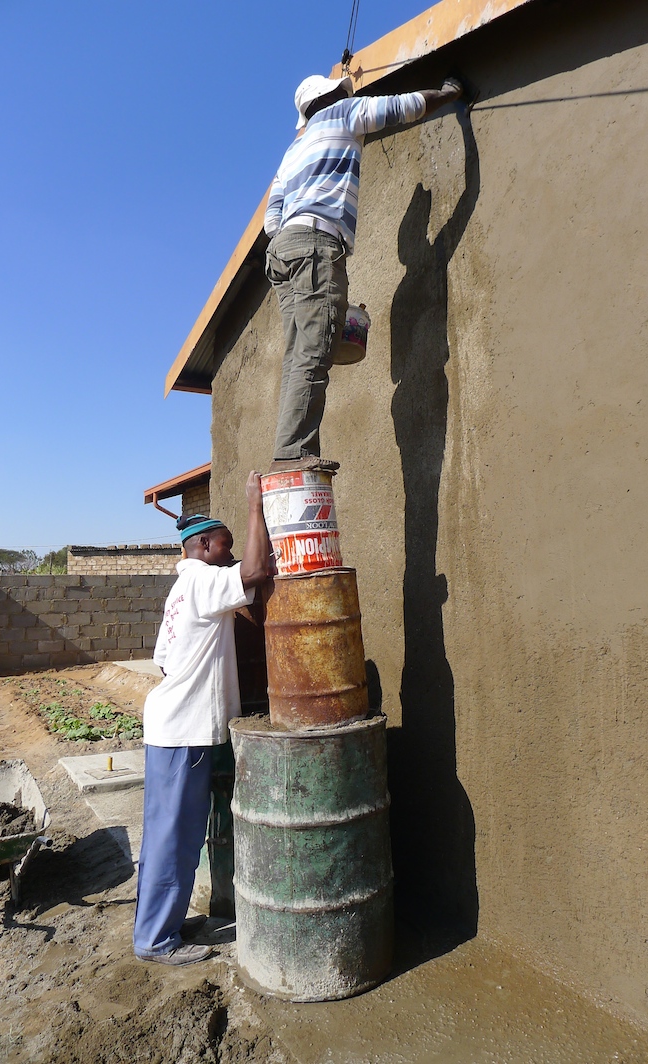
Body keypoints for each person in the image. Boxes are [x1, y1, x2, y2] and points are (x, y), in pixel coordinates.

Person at [264, 72, 464, 474]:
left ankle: (290, 449)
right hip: (316, 244)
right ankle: (293, 456)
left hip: (282, 251)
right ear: (331, 96)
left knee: (297, 354)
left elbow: (272, 219)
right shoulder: (344, 113)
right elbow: (406, 106)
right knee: (314, 351)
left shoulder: (293, 150)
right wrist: (448, 95)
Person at [133, 471, 270, 966]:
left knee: (173, 831)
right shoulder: (204, 582)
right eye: (227, 547)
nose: (231, 556)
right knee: (174, 835)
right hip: (181, 731)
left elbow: (166, 660)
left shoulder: (183, 588)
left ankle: (161, 923)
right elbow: (255, 573)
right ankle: (154, 941)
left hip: (173, 728)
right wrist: (256, 504)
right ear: (206, 545)